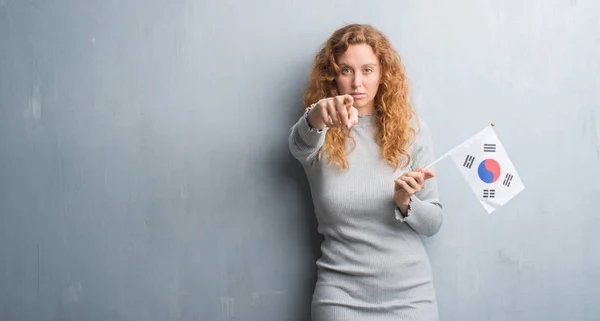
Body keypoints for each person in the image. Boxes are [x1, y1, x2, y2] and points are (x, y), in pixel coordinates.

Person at [287, 24, 444, 321]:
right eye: (346, 70)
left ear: (383, 74)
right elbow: (297, 144)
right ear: (333, 76)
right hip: (341, 299)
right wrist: (317, 113)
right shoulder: (317, 130)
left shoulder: (413, 130)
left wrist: (406, 203)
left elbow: (433, 222)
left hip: (411, 298)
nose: (357, 82)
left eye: (368, 70)